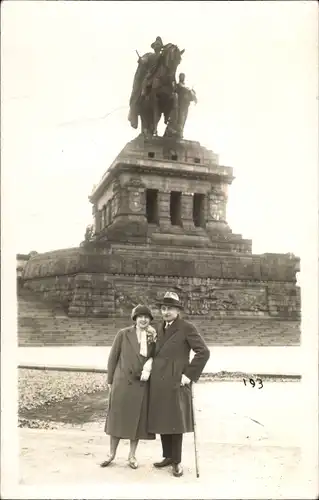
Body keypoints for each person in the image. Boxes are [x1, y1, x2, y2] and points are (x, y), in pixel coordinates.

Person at [148, 291, 210, 477]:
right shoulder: (158, 327)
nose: (166, 312)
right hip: (158, 381)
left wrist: (189, 375)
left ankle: (177, 461)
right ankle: (167, 456)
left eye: (170, 308)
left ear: (177, 310)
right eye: (163, 308)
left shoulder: (186, 328)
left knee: (175, 421)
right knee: (162, 418)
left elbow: (203, 352)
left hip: (177, 380)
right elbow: (154, 352)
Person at [100, 304, 157, 469]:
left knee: (136, 421)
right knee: (117, 418)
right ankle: (111, 453)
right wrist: (110, 381)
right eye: (140, 316)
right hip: (122, 382)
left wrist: (149, 366)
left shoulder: (153, 336)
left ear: (150, 320)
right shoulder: (123, 334)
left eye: (146, 317)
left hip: (141, 383)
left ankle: (132, 456)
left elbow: (155, 356)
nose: (143, 319)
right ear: (135, 319)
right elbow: (113, 358)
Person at [128, 36, 164, 129]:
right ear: (154, 47)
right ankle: (141, 99)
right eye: (156, 45)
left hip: (161, 80)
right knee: (144, 83)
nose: (157, 46)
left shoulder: (163, 58)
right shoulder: (149, 55)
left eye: (159, 45)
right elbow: (144, 60)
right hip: (149, 77)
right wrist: (142, 61)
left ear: (161, 47)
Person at [175, 73, 197, 138]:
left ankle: (180, 133)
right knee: (180, 119)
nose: (182, 78)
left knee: (183, 119)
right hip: (180, 105)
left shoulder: (185, 86)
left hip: (185, 105)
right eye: (181, 77)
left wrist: (192, 94)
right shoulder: (178, 85)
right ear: (179, 77)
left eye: (183, 77)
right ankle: (179, 132)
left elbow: (190, 95)